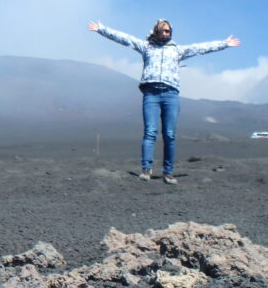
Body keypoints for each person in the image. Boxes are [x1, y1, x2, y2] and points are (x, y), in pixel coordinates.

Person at [88, 19, 241, 184]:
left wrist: (224, 43)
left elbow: (200, 48)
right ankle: (146, 170)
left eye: (168, 31)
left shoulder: (177, 51)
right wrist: (101, 29)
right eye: (162, 30)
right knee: (150, 132)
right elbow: (125, 38)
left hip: (170, 95)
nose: (165, 33)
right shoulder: (146, 47)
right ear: (156, 31)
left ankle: (168, 173)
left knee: (169, 134)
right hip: (151, 94)